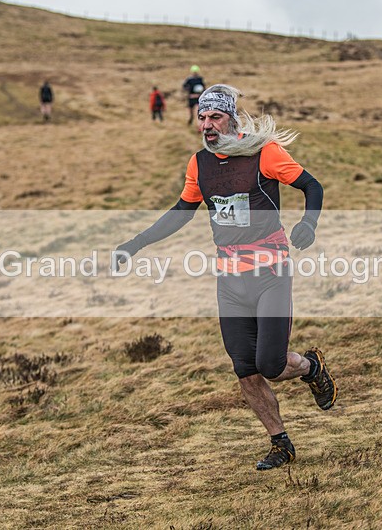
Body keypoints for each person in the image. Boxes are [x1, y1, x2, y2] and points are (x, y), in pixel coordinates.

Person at [112, 84, 337, 471]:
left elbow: (311, 185)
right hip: (230, 279)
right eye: (202, 117)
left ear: (231, 119)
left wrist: (309, 224)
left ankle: (311, 368)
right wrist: (135, 243)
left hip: (270, 273)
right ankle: (280, 443)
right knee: (244, 369)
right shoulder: (199, 163)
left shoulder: (264, 153)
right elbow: (181, 211)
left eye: (215, 117)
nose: (207, 125)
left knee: (271, 364)